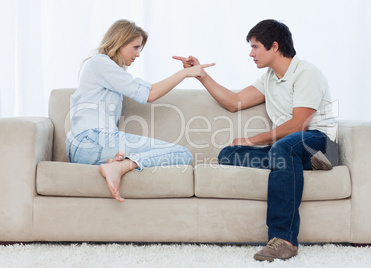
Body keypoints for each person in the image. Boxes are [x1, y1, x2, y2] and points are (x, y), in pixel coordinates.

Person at [173, 19, 338, 262]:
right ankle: (307, 163)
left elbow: (298, 124)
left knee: (282, 148)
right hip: (289, 148)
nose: (251, 54)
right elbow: (233, 102)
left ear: (274, 46)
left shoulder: (306, 73)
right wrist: (201, 75)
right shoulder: (269, 79)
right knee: (228, 154)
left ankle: (284, 240)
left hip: (317, 140)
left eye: (255, 47)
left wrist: (252, 140)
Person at [65, 19, 215, 203]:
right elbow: (149, 94)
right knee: (182, 154)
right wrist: (185, 74)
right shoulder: (100, 63)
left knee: (180, 154)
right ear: (120, 42)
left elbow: (147, 88)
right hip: (92, 140)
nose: (137, 54)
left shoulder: (110, 71)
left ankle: (116, 164)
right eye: (135, 47)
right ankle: (119, 167)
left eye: (139, 49)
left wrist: (185, 73)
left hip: (87, 146)